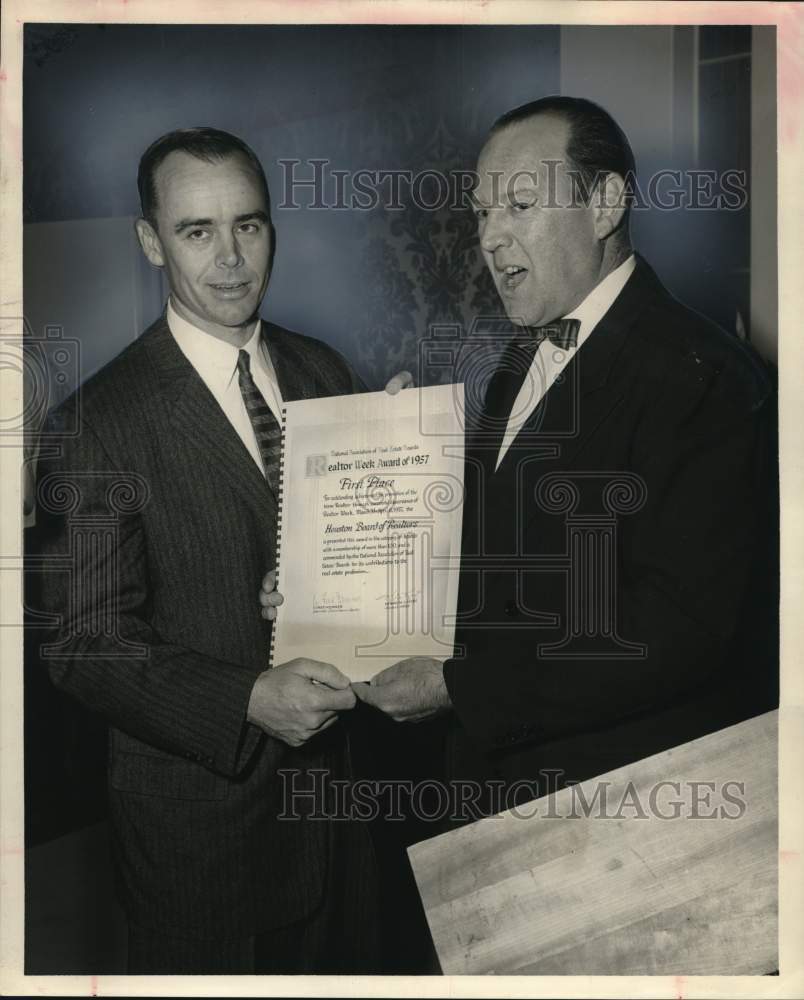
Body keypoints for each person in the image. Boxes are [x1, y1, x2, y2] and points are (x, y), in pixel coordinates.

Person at [33, 127, 402, 973]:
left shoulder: (324, 370)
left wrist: (405, 484)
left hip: (345, 818)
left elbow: (355, 573)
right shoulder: (96, 420)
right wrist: (244, 698)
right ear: (150, 241)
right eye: (198, 231)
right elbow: (86, 644)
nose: (231, 258)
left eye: (250, 224)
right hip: (203, 845)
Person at [352, 96, 778, 816]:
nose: (490, 237)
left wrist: (457, 687)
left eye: (520, 204)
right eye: (483, 212)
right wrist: (365, 536)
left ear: (606, 202)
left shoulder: (705, 375)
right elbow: (506, 564)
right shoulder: (521, 357)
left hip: (619, 817)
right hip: (489, 800)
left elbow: (676, 632)